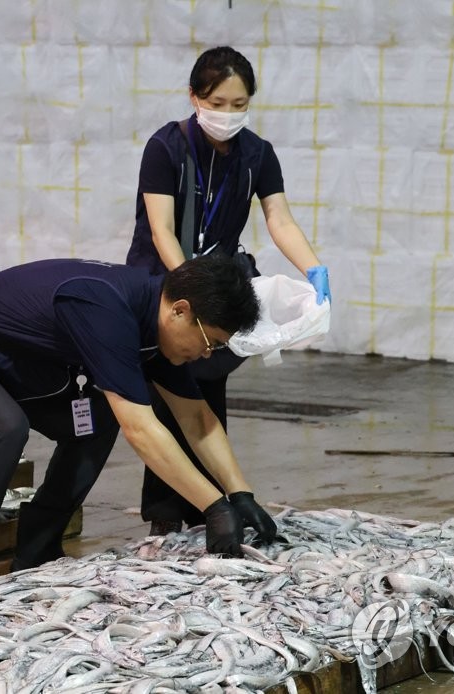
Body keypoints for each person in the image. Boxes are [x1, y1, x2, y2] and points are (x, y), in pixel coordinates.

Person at [0, 253, 278, 590]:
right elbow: (140, 428)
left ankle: (37, 550)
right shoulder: (106, 307)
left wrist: (239, 493)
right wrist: (212, 506)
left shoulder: (156, 325)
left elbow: (196, 417)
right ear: (180, 310)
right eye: (209, 343)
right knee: (2, 429)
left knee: (95, 420)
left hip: (5, 359)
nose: (208, 356)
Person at [125, 45, 331, 535]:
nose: (228, 114)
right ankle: (164, 514)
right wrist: (188, 287)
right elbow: (162, 230)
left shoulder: (257, 153)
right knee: (166, 396)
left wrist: (314, 269)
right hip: (164, 285)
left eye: (239, 105)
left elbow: (278, 217)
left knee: (209, 388)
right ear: (195, 96)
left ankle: (211, 508)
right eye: (218, 103)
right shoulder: (166, 147)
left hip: (217, 286)